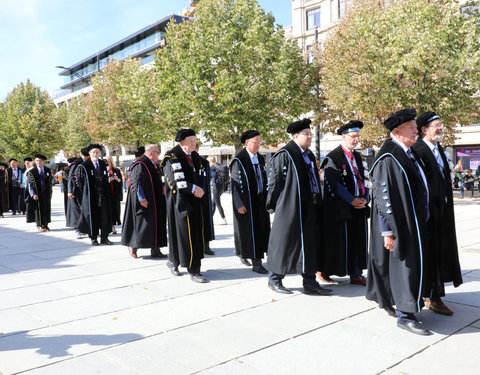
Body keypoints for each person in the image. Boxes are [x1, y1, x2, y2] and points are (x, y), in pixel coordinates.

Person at [366, 108, 432, 336]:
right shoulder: (389, 157)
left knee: (411, 266)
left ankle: (408, 305)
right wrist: (387, 231)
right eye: (412, 127)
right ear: (397, 131)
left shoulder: (409, 153)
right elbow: (382, 198)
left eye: (415, 126)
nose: (416, 129)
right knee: (405, 266)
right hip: (400, 224)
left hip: (413, 222)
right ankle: (405, 316)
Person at [266, 118, 332, 295]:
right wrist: (276, 205)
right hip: (290, 207)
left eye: (311, 134)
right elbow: (275, 184)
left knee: (309, 243)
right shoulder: (285, 155)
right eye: (307, 134)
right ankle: (274, 279)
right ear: (296, 136)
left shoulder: (309, 155)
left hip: (310, 206)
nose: (310, 137)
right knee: (284, 241)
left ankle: (309, 282)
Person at [412, 111, 463, 316]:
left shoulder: (439, 150)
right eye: (437, 125)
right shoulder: (417, 150)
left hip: (442, 213)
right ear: (424, 129)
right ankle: (433, 297)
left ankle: (433, 293)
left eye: (441, 124)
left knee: (440, 253)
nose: (441, 128)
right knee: (429, 254)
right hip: (427, 214)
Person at [320, 120, 370, 286]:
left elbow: (366, 179)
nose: (356, 139)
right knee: (338, 242)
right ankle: (325, 270)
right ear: (344, 136)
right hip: (341, 208)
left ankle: (356, 273)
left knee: (358, 241)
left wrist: (366, 197)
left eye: (358, 136)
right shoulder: (333, 158)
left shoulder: (358, 156)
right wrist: (351, 200)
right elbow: (335, 184)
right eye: (353, 136)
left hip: (359, 206)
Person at [161, 129, 208, 283]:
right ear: (182, 143)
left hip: (196, 201)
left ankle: (189, 265)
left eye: (195, 141)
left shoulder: (194, 156)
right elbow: (175, 181)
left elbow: (202, 174)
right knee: (182, 235)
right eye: (191, 141)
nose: (194, 144)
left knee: (194, 236)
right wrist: (194, 189)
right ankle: (189, 268)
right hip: (180, 203)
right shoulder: (172, 157)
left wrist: (201, 189)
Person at [230, 130, 270, 274]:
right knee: (250, 231)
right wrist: (239, 203)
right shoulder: (239, 160)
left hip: (259, 200)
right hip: (247, 202)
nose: (258, 144)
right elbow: (235, 184)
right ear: (247, 142)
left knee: (261, 230)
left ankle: (249, 255)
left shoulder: (259, 158)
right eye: (256, 142)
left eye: (260, 141)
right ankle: (256, 261)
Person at [122, 144, 168, 258]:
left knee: (157, 225)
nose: (159, 154)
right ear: (151, 153)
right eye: (157, 152)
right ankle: (133, 246)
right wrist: (141, 198)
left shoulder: (154, 165)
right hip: (145, 201)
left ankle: (155, 249)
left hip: (156, 200)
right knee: (144, 226)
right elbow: (136, 183)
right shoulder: (140, 164)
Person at [75, 144, 113, 246]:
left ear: (100, 153)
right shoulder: (84, 166)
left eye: (97, 152)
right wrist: (86, 193)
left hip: (102, 195)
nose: (95, 154)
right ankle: (94, 237)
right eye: (93, 152)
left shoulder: (102, 163)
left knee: (104, 216)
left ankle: (104, 237)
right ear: (89, 153)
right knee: (92, 216)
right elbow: (79, 182)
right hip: (91, 196)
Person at [25, 154, 53, 231]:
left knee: (46, 208)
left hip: (46, 192)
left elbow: (50, 183)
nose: (38, 162)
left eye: (40, 161)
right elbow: (29, 185)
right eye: (37, 160)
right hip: (37, 193)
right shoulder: (32, 172)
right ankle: (39, 225)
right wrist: (33, 194)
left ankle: (46, 224)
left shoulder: (47, 170)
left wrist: (51, 192)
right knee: (38, 209)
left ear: (43, 162)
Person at [196, 146, 215, 256]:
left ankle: (206, 245)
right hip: (194, 194)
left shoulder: (204, 162)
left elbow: (207, 179)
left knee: (207, 221)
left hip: (205, 195)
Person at [67, 148, 89, 239]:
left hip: (85, 190)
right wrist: (70, 190)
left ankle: (84, 229)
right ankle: (77, 230)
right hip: (76, 191)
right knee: (77, 210)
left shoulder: (89, 163)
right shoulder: (76, 163)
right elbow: (71, 178)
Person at [105, 156, 123, 234]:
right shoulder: (104, 170)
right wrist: (109, 180)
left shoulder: (116, 170)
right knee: (108, 211)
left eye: (108, 161)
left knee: (115, 211)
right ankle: (110, 227)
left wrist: (117, 179)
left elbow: (120, 181)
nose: (107, 162)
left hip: (115, 195)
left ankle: (114, 226)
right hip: (107, 195)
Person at [210, 156, 229, 225]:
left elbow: (211, 177)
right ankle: (210, 219)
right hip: (221, 187)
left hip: (216, 187)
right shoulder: (218, 166)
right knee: (213, 203)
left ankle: (224, 219)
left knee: (218, 204)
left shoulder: (212, 167)